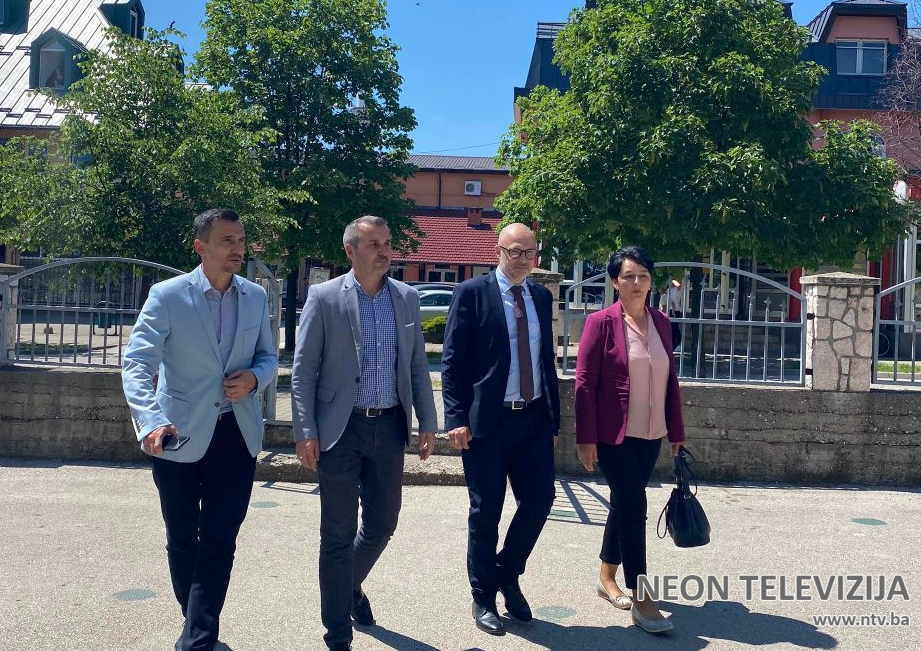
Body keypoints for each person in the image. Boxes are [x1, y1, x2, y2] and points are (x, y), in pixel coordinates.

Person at [122, 208, 278, 651]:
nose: (237, 249)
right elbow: (137, 364)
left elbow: (268, 357)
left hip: (236, 434)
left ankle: (198, 639)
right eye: (227, 240)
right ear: (201, 247)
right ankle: (195, 621)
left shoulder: (255, 297)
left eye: (241, 240)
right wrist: (151, 420)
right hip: (178, 433)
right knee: (182, 537)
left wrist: (255, 379)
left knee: (221, 538)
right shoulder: (168, 295)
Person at [291, 215, 437, 651]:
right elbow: (303, 370)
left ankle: (348, 586)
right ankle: (338, 632)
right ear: (350, 251)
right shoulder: (324, 297)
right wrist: (304, 429)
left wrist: (428, 422)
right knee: (337, 534)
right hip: (341, 429)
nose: (384, 251)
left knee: (383, 524)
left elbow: (416, 366)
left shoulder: (406, 298)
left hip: (389, 426)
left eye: (387, 243)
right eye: (374, 244)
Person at [442, 222, 559, 637]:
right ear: (498, 252)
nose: (523, 259)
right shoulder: (471, 293)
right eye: (515, 251)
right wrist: (455, 418)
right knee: (486, 511)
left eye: (530, 252)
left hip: (533, 418)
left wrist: (554, 420)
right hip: (487, 424)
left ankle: (507, 572)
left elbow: (545, 360)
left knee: (540, 500)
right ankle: (483, 595)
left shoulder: (541, 296)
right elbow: (453, 362)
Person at [574, 245, 686, 634]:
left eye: (643, 275)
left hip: (651, 434)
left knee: (624, 503)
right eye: (628, 276)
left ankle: (606, 578)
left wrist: (676, 431)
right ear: (614, 282)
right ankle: (642, 597)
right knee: (635, 506)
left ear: (651, 281)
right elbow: (584, 384)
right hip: (613, 435)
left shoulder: (662, 322)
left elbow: (670, 379)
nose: (636, 282)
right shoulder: (600, 323)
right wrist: (586, 438)